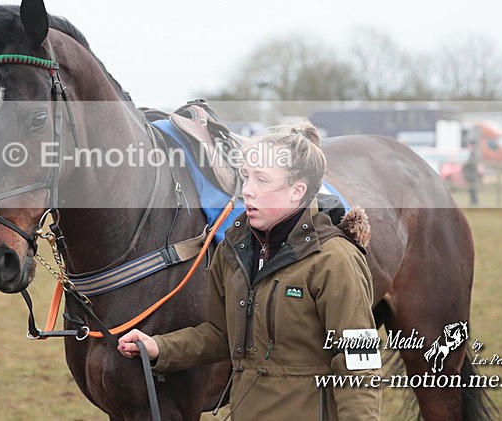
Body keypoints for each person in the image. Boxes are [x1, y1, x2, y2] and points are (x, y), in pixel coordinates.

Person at [118, 120, 381, 420]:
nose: (247, 191)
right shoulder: (234, 250)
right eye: (245, 178)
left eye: (262, 180)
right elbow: (221, 335)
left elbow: (359, 364)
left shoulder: (335, 260)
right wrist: (159, 348)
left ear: (297, 190)